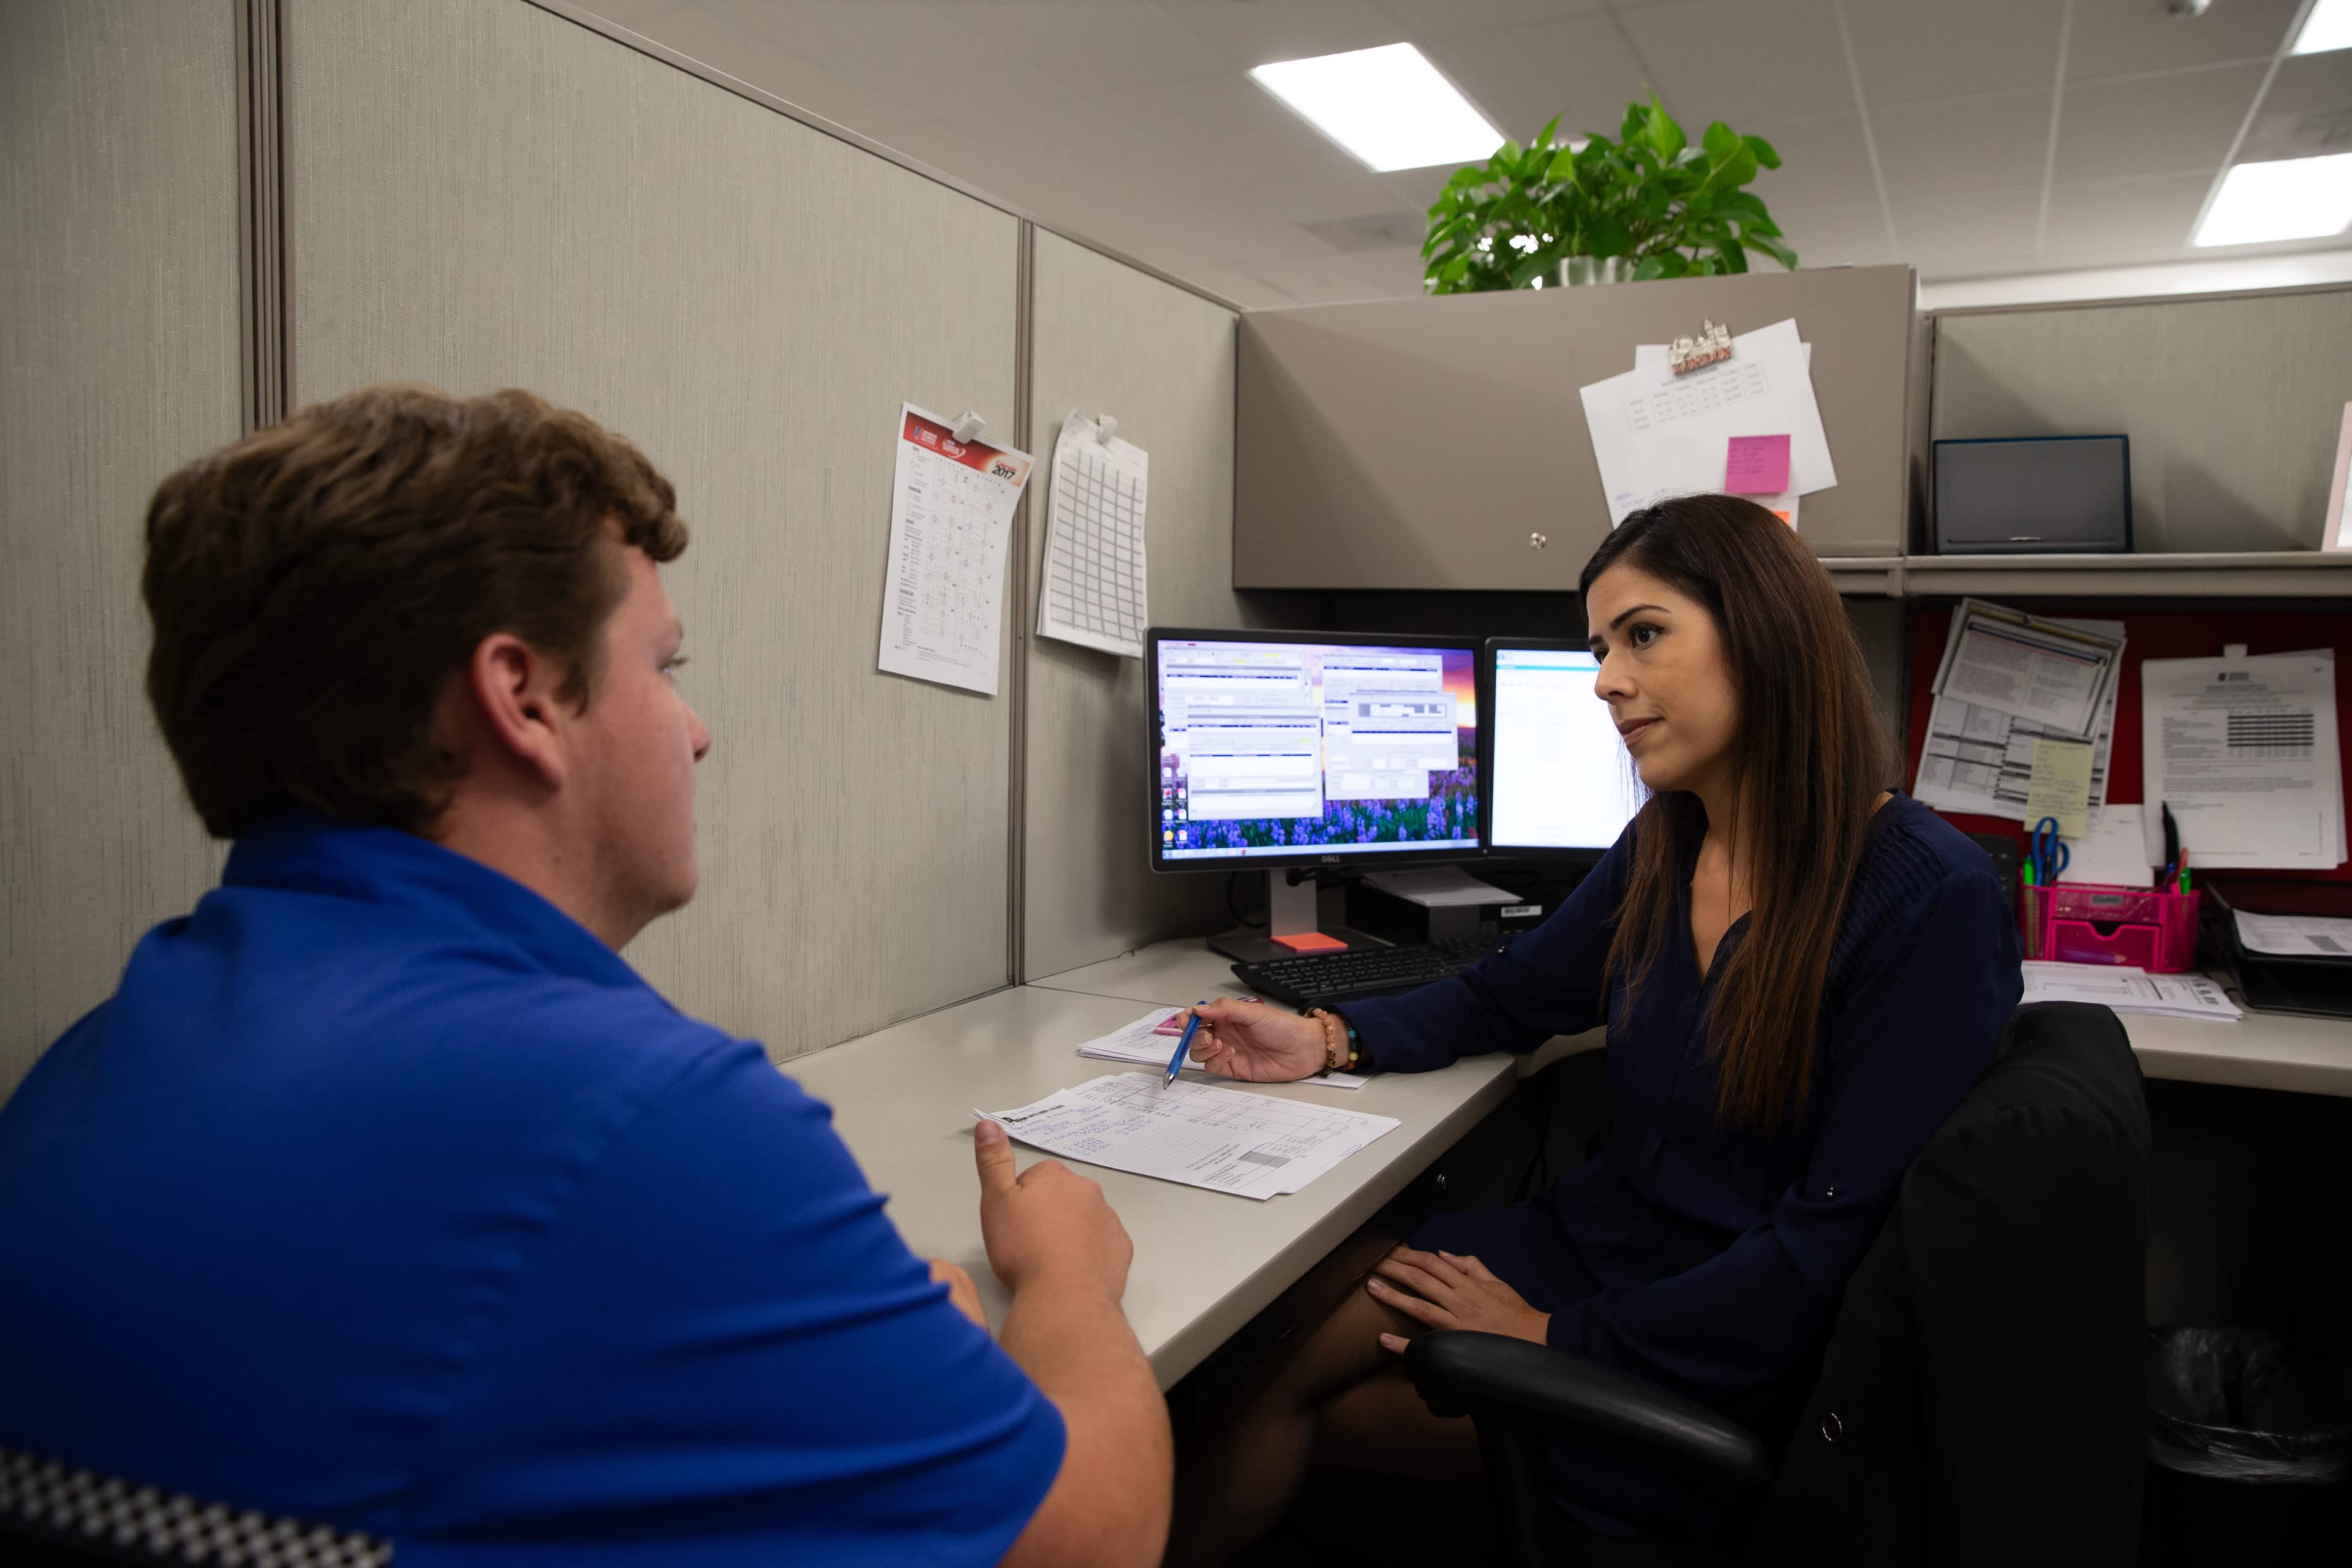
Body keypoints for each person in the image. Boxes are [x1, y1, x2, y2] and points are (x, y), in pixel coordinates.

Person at [0, 385, 1170, 1566]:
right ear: (521, 700)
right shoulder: (639, 1118)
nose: (696, 728)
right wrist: (1066, 1280)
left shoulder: (84, 1066)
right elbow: (1098, 1539)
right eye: (665, 667)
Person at [1166, 494, 2022, 1561]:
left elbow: (1827, 1253)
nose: (1607, 679)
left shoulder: (1927, 897)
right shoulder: (1670, 841)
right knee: (1267, 1353)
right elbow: (1509, 994)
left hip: (1717, 1349)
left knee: (1297, 1416)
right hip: (1596, 1247)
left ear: (1763, 630)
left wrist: (1550, 1338)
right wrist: (1332, 1038)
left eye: (1644, 634)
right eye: (1600, 648)